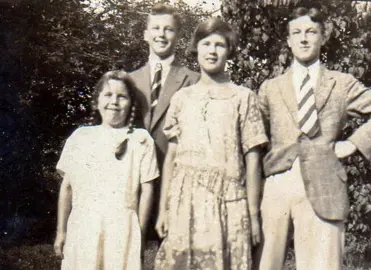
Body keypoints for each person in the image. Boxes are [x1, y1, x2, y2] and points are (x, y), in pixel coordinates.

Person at [257, 7, 371, 270]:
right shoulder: (270, 88)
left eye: (311, 32)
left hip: (325, 183)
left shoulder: (341, 83)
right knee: (264, 264)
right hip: (277, 183)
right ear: (289, 40)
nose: (304, 39)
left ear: (322, 37)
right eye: (297, 33)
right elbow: (254, 134)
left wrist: (354, 143)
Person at [154, 18, 268, 270]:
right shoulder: (181, 98)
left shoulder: (243, 97)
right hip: (186, 205)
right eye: (206, 44)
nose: (212, 51)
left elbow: (252, 160)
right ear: (196, 49)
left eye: (220, 45)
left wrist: (253, 215)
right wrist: (163, 209)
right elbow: (171, 158)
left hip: (229, 204)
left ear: (229, 51)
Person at [53, 71, 159, 270]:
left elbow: (147, 191)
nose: (114, 102)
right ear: (97, 101)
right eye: (108, 95)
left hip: (123, 229)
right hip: (84, 224)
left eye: (122, 96)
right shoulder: (81, 137)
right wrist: (61, 232)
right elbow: (67, 188)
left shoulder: (141, 140)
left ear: (131, 104)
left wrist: (141, 235)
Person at [129, 3, 200, 168]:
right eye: (156, 28)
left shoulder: (193, 80)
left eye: (168, 29)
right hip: (135, 170)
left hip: (175, 170)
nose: (161, 34)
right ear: (146, 34)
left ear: (178, 36)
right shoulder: (130, 80)